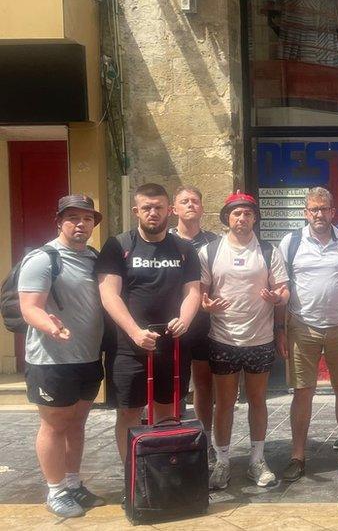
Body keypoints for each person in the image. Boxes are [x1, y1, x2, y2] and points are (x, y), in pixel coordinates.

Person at [97, 183, 202, 462]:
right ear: (136, 211)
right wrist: (134, 332)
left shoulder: (183, 248)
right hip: (129, 347)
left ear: (169, 210)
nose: (153, 213)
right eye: (146, 208)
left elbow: (193, 291)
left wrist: (186, 319)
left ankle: (161, 472)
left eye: (158, 207)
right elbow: (109, 294)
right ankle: (132, 477)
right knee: (129, 413)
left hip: (172, 346)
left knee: (167, 411)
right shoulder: (118, 246)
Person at [19, 195, 105, 517]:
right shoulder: (43, 259)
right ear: (59, 222)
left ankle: (73, 484)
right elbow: (30, 308)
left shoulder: (94, 258)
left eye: (87, 218)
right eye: (73, 218)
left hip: (87, 357)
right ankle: (55, 490)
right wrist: (51, 327)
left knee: (77, 424)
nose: (80, 224)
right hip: (51, 361)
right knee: (54, 425)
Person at [201, 192, 289, 490]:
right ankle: (223, 462)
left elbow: (284, 291)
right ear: (227, 217)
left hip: (260, 338)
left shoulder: (267, 251)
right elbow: (199, 293)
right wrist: (206, 305)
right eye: (236, 214)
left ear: (255, 218)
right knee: (224, 403)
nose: (242, 219)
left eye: (248, 214)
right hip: (223, 339)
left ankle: (257, 460)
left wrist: (278, 298)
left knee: (257, 400)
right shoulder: (210, 251)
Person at [277, 187, 338, 481]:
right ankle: (297, 455)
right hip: (303, 326)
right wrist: (280, 329)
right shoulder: (290, 242)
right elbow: (282, 288)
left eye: (324, 209)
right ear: (305, 212)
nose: (319, 214)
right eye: (313, 209)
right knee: (303, 392)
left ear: (332, 212)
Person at [169, 185, 220, 461]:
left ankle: (205, 441)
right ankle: (173, 439)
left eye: (195, 201)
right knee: (173, 385)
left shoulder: (214, 242)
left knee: (203, 384)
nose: (190, 205)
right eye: (184, 201)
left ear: (202, 208)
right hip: (171, 323)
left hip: (204, 324)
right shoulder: (163, 240)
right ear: (173, 209)